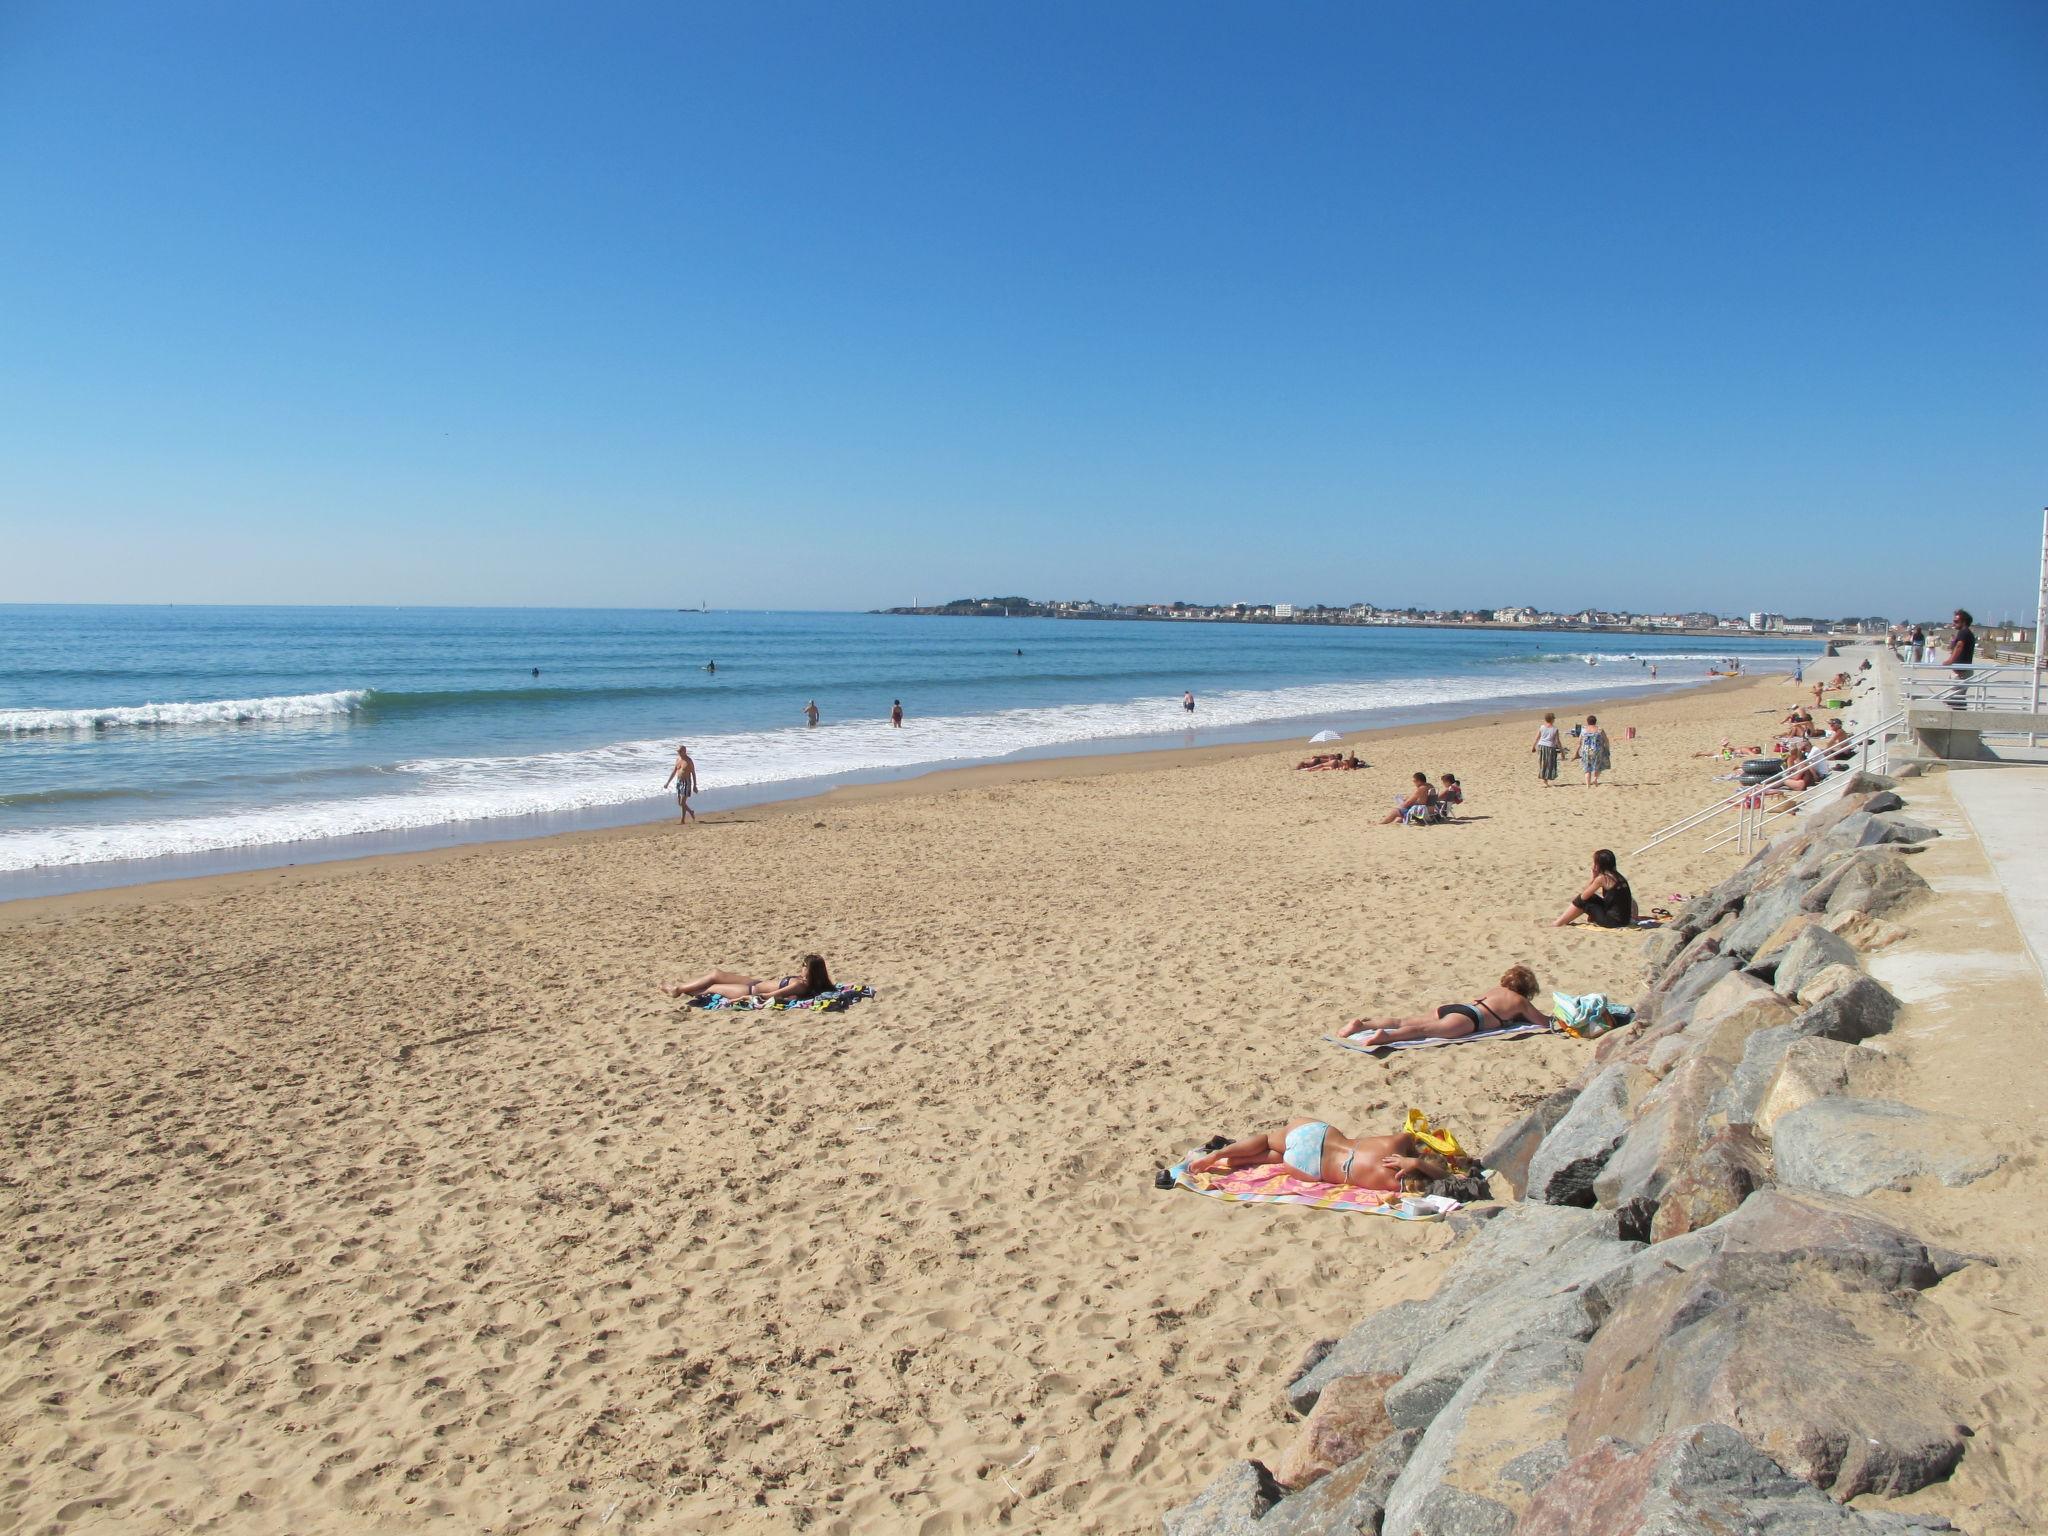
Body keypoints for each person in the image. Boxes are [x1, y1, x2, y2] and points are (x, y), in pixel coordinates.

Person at [1187, 1123, 1474, 1193]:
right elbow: (1453, 1183)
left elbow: (1420, 1138)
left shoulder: (1400, 1141)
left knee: (1267, 1140)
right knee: (1275, 1156)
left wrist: (1418, 1157)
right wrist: (1419, 1168)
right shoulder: (1394, 1184)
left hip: (1320, 1136)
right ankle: (1244, 1161)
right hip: (1309, 1167)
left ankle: (1222, 1154)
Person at [1336, 964, 1548, 1046]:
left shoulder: (1496, 990)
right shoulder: (1519, 1001)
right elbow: (1543, 1022)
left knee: (1404, 1020)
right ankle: (1387, 1037)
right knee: (1423, 1030)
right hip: (1470, 1020)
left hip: (1457, 1008)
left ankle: (1362, 1026)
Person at [661, 953, 834, 1002]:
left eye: (804, 966)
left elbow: (772, 996)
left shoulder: (800, 985)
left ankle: (677, 990)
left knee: (711, 987)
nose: (801, 968)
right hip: (754, 982)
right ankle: (681, 989)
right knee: (716, 974)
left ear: (811, 971)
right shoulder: (804, 982)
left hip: (749, 989)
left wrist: (745, 998)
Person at [1552, 849, 1638, 928]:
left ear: (1599, 865)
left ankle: (1559, 922)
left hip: (1613, 922)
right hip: (1623, 919)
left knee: (1584, 901)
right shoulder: (1618, 876)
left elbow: (1583, 897)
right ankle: (1561, 921)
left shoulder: (1603, 878)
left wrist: (1593, 877)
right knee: (1592, 897)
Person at [1943, 608, 1977, 708]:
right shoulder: (1966, 633)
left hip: (1961, 672)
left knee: (1953, 699)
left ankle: (1960, 719)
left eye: (1956, 621)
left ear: (1964, 622)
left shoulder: (1964, 632)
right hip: (1962, 671)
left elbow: (1959, 646)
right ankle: (1961, 718)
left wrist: (1950, 661)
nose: (1954, 623)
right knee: (1957, 699)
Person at [662, 742, 699, 825]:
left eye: (679, 751)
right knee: (680, 803)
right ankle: (691, 812)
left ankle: (682, 820)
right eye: (677, 751)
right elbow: (674, 771)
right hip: (679, 781)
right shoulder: (678, 759)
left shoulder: (689, 761)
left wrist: (695, 786)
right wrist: (668, 782)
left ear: (684, 751)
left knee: (682, 802)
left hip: (687, 782)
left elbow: (693, 773)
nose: (678, 753)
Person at [1578, 714, 1611, 786]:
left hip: (1586, 751)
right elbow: (1606, 740)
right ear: (1595, 722)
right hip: (1597, 750)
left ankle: (1588, 785)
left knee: (1587, 768)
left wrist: (1578, 750)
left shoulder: (1583, 730)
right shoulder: (1600, 730)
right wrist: (1607, 749)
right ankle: (1595, 779)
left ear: (1587, 722)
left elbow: (1580, 741)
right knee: (1598, 766)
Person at [1532, 712, 1561, 786]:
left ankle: (1544, 779)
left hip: (1541, 746)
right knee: (1550, 763)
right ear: (1552, 720)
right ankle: (1546, 779)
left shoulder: (1542, 727)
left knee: (1543, 762)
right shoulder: (1555, 729)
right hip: (1550, 747)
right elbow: (1557, 741)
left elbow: (1537, 737)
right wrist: (1562, 751)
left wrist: (1533, 746)